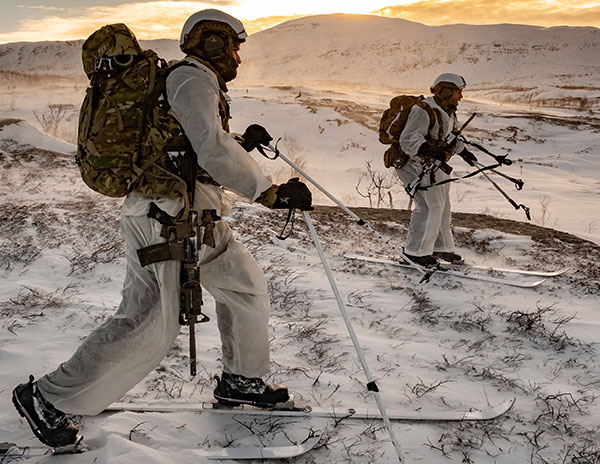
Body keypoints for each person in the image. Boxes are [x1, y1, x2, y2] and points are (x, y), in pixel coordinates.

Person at [12, 9, 312, 448]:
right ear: (210, 41)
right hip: (168, 220)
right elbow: (209, 146)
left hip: (197, 218)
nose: (237, 57)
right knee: (150, 321)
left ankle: (242, 380)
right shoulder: (192, 78)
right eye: (232, 45)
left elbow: (187, 147)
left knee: (245, 288)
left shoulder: (190, 80)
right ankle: (46, 397)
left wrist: (242, 144)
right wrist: (268, 191)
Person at [395, 73, 477, 266]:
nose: (461, 97)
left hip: (434, 165)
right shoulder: (424, 110)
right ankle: (415, 253)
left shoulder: (447, 111)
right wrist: (428, 149)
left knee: (443, 207)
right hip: (413, 164)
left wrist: (464, 152)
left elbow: (447, 138)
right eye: (458, 92)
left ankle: (441, 248)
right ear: (446, 90)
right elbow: (407, 139)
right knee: (428, 207)